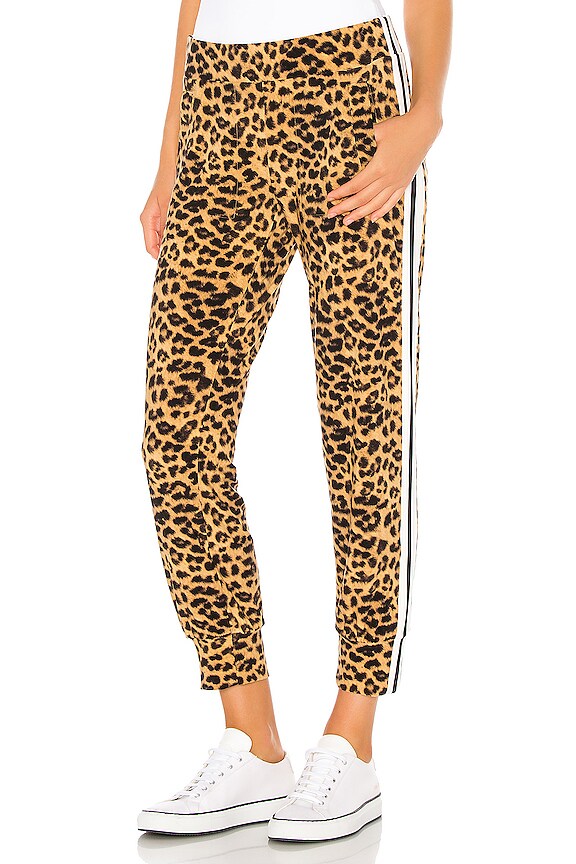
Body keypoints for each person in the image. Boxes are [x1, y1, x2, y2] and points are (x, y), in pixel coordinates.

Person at [138, 0, 451, 843]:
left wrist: (425, 112)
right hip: (218, 103)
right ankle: (253, 738)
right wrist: (171, 154)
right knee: (178, 429)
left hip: (347, 92)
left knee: (364, 429)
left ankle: (353, 736)